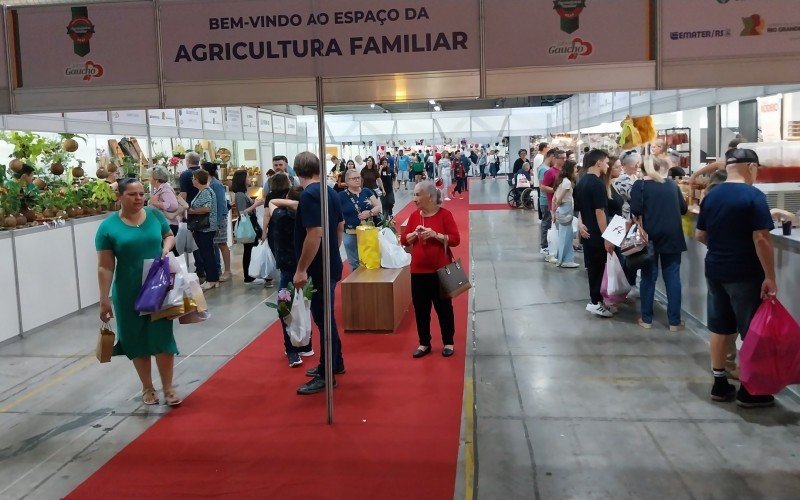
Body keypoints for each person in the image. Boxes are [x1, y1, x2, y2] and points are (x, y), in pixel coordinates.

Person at [695, 148, 777, 408]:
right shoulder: (754, 196)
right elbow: (761, 238)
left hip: (715, 269)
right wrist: (770, 276)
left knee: (720, 326)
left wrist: (721, 250)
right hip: (744, 273)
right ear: (752, 167)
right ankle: (750, 391)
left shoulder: (711, 195)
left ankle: (719, 384)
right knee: (751, 330)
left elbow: (700, 236)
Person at [96, 178, 181, 406]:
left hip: (157, 286)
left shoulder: (154, 216)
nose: (139, 198)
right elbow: (105, 266)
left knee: (162, 338)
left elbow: (168, 235)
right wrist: (104, 299)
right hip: (127, 291)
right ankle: (147, 387)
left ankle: (168, 387)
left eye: (142, 194)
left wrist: (166, 248)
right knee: (136, 339)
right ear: (120, 196)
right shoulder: (108, 227)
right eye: (132, 194)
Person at [292, 152, 345, 395]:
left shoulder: (310, 194)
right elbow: (339, 226)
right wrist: (334, 249)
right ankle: (336, 361)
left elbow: (315, 233)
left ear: (296, 171)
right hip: (330, 262)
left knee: (324, 319)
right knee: (326, 317)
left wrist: (301, 268)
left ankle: (327, 372)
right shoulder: (329, 191)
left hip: (319, 268)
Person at [400, 181, 461, 358]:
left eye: (417, 195)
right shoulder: (413, 216)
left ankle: (448, 341)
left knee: (444, 309)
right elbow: (404, 240)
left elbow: (456, 239)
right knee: (421, 310)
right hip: (418, 272)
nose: (414, 199)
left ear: (430, 196)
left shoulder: (445, 215)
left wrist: (435, 235)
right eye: (414, 195)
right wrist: (412, 236)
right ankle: (424, 342)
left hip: (441, 270)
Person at [629, 157, 688, 330]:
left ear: (643, 169)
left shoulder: (639, 186)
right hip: (672, 235)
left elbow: (636, 211)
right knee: (673, 277)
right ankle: (674, 322)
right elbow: (683, 209)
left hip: (650, 236)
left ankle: (647, 319)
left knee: (649, 277)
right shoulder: (671, 185)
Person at [268, 186, 315, 367]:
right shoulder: (309, 220)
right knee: (305, 305)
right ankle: (306, 343)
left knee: (286, 309)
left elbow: (272, 201)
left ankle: (292, 350)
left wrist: (292, 203)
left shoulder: (280, 217)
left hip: (288, 270)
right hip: (307, 268)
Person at [575, 149, 615, 318]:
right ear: (598, 163)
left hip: (588, 232)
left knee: (593, 268)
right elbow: (599, 212)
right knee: (598, 269)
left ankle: (595, 300)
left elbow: (579, 210)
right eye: (606, 162)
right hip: (597, 234)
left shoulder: (582, 181)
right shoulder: (597, 184)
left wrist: (581, 224)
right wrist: (607, 236)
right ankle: (595, 302)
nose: (607, 166)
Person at [338, 169, 382, 270]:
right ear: (347, 181)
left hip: (368, 233)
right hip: (350, 233)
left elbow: (378, 206)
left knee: (370, 258)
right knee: (355, 263)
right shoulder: (341, 196)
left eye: (358, 178)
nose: (357, 180)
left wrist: (370, 213)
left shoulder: (366, 191)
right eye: (354, 178)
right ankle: (357, 284)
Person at [187, 169, 219, 291]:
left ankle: (211, 279)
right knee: (206, 252)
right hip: (203, 227)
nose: (192, 180)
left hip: (206, 227)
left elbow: (207, 208)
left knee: (207, 253)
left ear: (197, 180)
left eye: (193, 178)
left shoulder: (205, 192)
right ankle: (212, 278)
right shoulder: (203, 191)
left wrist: (192, 211)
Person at [232, 170, 265, 287]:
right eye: (247, 177)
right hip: (248, 224)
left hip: (251, 223)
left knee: (250, 249)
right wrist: (255, 205)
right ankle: (248, 276)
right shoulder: (240, 194)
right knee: (249, 250)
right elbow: (242, 212)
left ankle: (251, 275)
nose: (250, 179)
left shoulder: (243, 193)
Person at [203, 162, 232, 282]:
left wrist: (218, 221)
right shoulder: (209, 183)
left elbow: (221, 204)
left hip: (219, 219)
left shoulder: (216, 184)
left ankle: (227, 270)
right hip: (211, 219)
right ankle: (218, 269)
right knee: (215, 245)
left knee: (222, 244)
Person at [147, 166, 182, 257]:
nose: (148, 179)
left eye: (150, 176)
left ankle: (176, 268)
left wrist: (156, 203)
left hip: (168, 224)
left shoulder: (165, 189)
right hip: (165, 223)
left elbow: (173, 205)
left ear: (157, 179)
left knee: (169, 249)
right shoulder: (161, 188)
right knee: (169, 250)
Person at [553, 160, 579, 268]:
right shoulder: (567, 182)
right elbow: (558, 199)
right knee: (567, 236)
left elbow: (555, 198)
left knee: (563, 235)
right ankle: (566, 259)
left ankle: (561, 258)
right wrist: (560, 203)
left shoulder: (562, 181)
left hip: (562, 210)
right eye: (575, 167)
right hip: (566, 209)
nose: (577, 169)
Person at [540, 149, 565, 257]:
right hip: (553, 204)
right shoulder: (550, 172)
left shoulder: (564, 171)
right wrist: (556, 190)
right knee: (553, 226)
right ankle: (547, 246)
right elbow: (543, 187)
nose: (564, 160)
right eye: (562, 158)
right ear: (555, 158)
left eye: (565, 157)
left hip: (565, 204)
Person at [615, 150, 641, 220]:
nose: (637, 166)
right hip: (626, 216)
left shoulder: (633, 176)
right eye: (635, 164)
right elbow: (635, 195)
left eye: (638, 163)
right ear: (625, 165)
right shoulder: (623, 178)